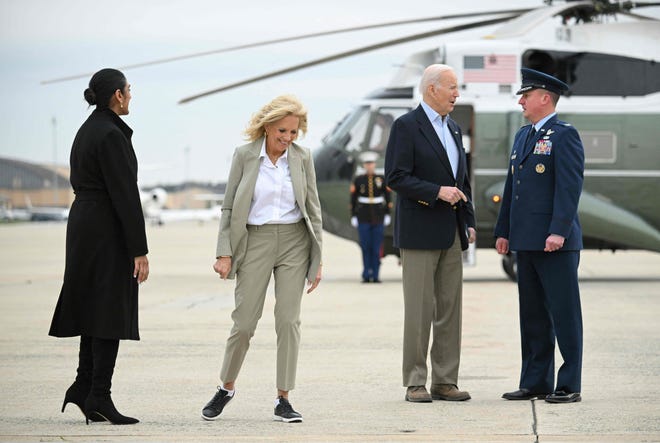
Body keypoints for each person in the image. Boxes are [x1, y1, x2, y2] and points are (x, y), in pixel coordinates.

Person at [201, 95, 323, 423]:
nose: (287, 138)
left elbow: (313, 210)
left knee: (288, 321)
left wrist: (317, 258)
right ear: (267, 127)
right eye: (282, 130)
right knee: (243, 323)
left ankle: (283, 398)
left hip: (295, 242)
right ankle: (225, 388)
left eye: (294, 132)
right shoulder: (244, 156)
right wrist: (223, 252)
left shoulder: (302, 158)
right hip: (254, 241)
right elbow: (229, 207)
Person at [49, 68, 149, 425]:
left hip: (84, 225)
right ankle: (99, 396)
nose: (131, 96)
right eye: (129, 90)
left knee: (94, 306)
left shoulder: (89, 128)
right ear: (118, 95)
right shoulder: (110, 134)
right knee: (109, 311)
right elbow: (125, 194)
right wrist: (139, 249)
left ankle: (83, 386)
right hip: (107, 228)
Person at [385, 64, 476, 403]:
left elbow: (462, 181)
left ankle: (445, 380)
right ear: (432, 89)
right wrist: (435, 191)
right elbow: (395, 177)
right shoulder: (406, 127)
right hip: (419, 230)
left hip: (451, 231)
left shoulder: (454, 128)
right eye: (452, 87)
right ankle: (415, 381)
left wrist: (467, 220)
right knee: (420, 309)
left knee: (451, 308)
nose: (457, 94)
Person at [495, 68, 585, 404]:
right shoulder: (523, 136)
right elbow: (512, 188)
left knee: (564, 315)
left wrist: (558, 231)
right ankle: (535, 381)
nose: (521, 101)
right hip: (526, 241)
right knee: (532, 316)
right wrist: (504, 231)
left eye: (526, 95)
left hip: (555, 243)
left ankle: (569, 383)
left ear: (544, 98)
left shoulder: (564, 135)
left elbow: (569, 188)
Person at [350, 151, 392, 283]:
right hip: (363, 217)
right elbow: (353, 199)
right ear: (364, 165)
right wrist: (354, 216)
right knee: (365, 246)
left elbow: (387, 197)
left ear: (374, 164)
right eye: (367, 164)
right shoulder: (358, 180)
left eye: (371, 163)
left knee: (376, 247)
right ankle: (366, 274)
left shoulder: (381, 179)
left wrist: (387, 214)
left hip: (378, 217)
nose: (370, 166)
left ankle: (376, 274)